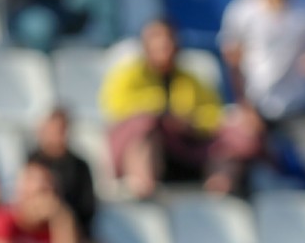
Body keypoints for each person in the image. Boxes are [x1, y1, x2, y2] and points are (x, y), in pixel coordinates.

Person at [219, 0, 305, 194]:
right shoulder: (241, 11)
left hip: (298, 105)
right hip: (256, 105)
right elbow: (233, 64)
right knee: (237, 162)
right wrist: (245, 108)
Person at [102, 19, 249, 199]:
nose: (164, 44)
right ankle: (144, 189)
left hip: (183, 148)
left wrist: (191, 122)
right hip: (141, 147)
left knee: (228, 143)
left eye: (169, 39)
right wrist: (162, 114)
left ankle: (219, 193)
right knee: (144, 129)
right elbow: (117, 108)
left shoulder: (191, 80)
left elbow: (213, 114)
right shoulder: (127, 75)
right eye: (157, 39)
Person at [28, 108, 98, 238]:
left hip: (73, 232)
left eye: (60, 129)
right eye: (53, 129)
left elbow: (87, 207)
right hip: (37, 230)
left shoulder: (80, 166)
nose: (57, 134)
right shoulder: (33, 161)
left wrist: (61, 213)